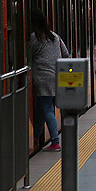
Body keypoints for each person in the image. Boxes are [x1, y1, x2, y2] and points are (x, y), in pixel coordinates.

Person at [29, 9, 69, 152]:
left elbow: (27, 55)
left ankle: (55, 141)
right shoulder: (54, 36)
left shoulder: (34, 38)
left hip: (42, 79)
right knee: (42, 108)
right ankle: (37, 135)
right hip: (57, 77)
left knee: (46, 108)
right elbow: (66, 54)